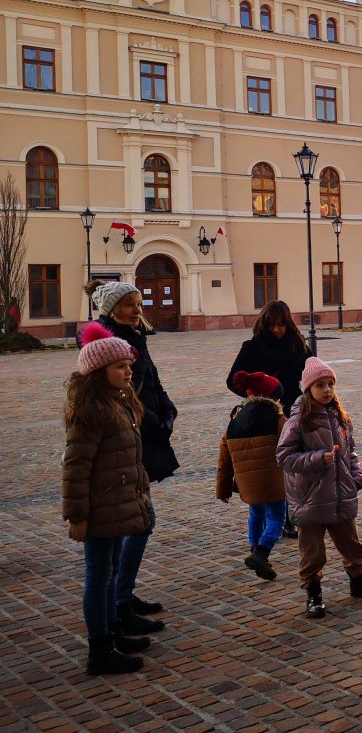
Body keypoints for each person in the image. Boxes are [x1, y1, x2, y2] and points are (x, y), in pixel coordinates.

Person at [83, 280, 176, 636]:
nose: (138, 309)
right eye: (129, 304)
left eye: (139, 303)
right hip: (129, 439)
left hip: (142, 435)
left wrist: (168, 407)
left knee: (136, 519)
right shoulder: (108, 345)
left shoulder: (136, 336)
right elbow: (124, 394)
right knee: (139, 521)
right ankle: (119, 601)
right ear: (111, 310)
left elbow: (150, 381)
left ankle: (122, 594)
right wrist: (154, 421)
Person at [62, 323, 152, 676]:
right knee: (98, 576)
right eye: (121, 367)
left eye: (129, 365)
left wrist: (139, 491)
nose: (129, 371)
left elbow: (130, 459)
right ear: (99, 373)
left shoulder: (120, 403)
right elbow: (75, 468)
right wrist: (77, 515)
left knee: (111, 571)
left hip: (118, 502)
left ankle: (113, 632)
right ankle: (99, 649)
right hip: (100, 507)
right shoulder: (92, 413)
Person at [276, 357, 362, 620]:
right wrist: (317, 458)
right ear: (308, 389)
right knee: (313, 552)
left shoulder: (340, 417)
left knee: (351, 544)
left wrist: (356, 477)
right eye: (320, 386)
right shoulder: (298, 420)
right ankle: (313, 594)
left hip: (340, 494)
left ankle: (359, 581)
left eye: (330, 385)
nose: (327, 390)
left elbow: (351, 452)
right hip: (310, 498)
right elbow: (283, 457)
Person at [228, 301, 309, 538]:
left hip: (294, 413)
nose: (277, 330)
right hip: (263, 417)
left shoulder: (298, 345)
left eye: (282, 325)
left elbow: (311, 372)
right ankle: (271, 518)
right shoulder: (252, 348)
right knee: (269, 468)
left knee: (291, 466)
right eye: (273, 325)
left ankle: (287, 517)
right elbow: (233, 380)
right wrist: (254, 396)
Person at [217, 371, 288, 581]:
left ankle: (255, 549)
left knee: (256, 515)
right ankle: (261, 553)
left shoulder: (234, 422)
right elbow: (290, 447)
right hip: (273, 483)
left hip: (248, 485)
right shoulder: (278, 420)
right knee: (276, 519)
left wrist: (222, 489)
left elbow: (224, 461)